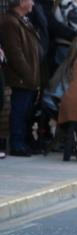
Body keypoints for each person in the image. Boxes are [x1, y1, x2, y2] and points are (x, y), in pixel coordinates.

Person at [0, 0, 41, 157]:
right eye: (30, 0)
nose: (32, 3)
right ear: (21, 2)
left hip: (29, 76)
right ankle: (17, 144)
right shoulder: (10, 22)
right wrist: (28, 74)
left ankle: (23, 142)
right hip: (22, 77)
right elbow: (15, 52)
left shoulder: (22, 20)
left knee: (25, 111)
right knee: (19, 111)